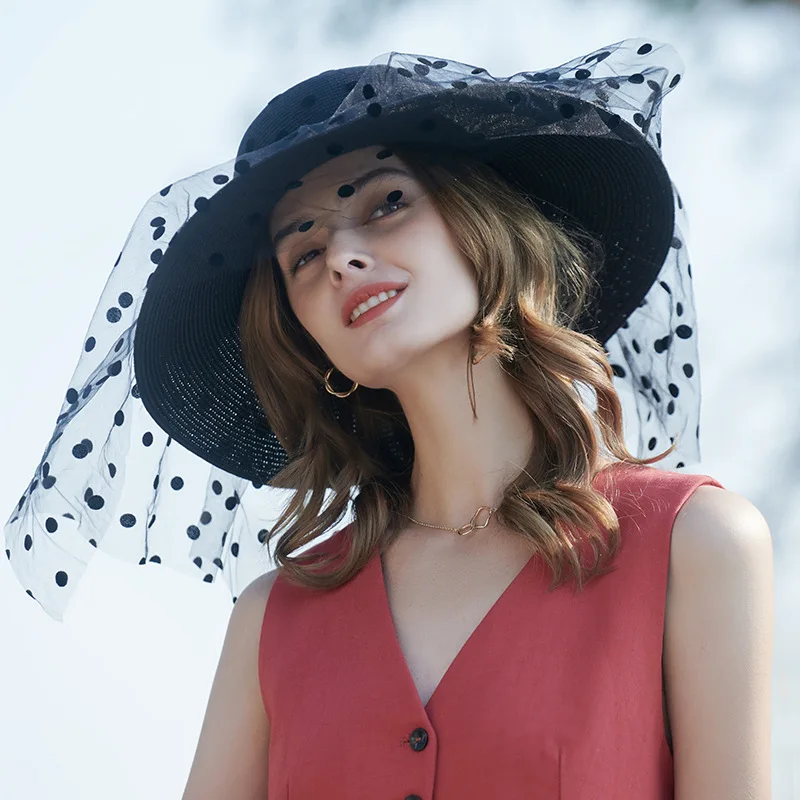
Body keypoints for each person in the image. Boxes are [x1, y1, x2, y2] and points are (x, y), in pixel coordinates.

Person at [4, 39, 773, 799]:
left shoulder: (691, 545)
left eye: (386, 203)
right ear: (309, 337)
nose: (341, 256)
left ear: (486, 230)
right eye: (302, 254)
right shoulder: (273, 620)